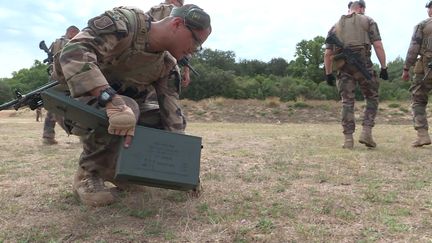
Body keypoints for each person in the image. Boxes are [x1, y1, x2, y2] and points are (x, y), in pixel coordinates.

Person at [57, 4, 211, 206]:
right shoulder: (125, 24)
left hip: (119, 107)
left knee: (157, 116)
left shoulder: (166, 65)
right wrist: (111, 100)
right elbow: (73, 51)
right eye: (196, 41)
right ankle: (88, 174)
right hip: (72, 99)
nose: (195, 50)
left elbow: (172, 118)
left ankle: (120, 172)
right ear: (176, 24)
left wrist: (184, 170)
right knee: (127, 108)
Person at [324, 0, 388, 149]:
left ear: (349, 9)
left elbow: (328, 54)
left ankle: (348, 140)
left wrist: (328, 74)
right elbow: (378, 45)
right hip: (364, 65)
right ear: (361, 8)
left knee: (347, 102)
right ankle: (366, 132)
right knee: (372, 97)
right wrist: (384, 67)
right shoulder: (368, 20)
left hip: (343, 68)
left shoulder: (335, 26)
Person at [401, 1, 432, 147]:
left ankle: (422, 135)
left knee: (418, 99)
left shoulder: (423, 26)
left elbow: (413, 48)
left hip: (426, 68)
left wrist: (406, 68)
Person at [42, 25, 79, 145]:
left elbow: (51, 58)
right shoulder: (70, 43)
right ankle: (83, 134)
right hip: (66, 77)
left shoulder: (56, 43)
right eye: (77, 33)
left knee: (52, 106)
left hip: (54, 77)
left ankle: (48, 135)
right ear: (72, 32)